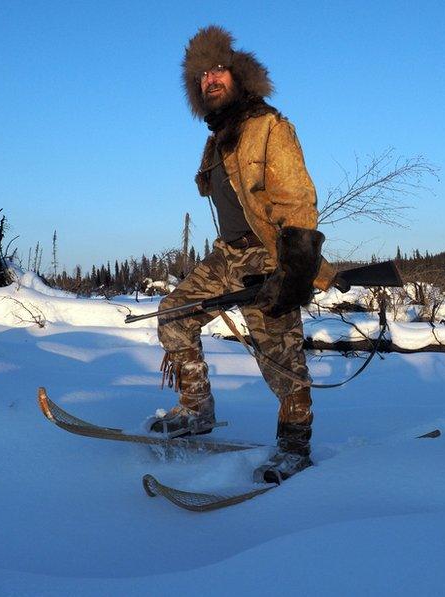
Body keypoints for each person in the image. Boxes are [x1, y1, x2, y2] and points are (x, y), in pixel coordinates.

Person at [151, 26, 336, 483]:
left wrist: (293, 273)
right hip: (227, 256)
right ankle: (196, 408)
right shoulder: (218, 138)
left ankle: (294, 445)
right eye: (200, 76)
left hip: (268, 257)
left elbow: (297, 200)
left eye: (217, 71)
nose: (209, 80)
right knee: (175, 314)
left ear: (238, 74)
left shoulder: (269, 127)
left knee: (279, 357)